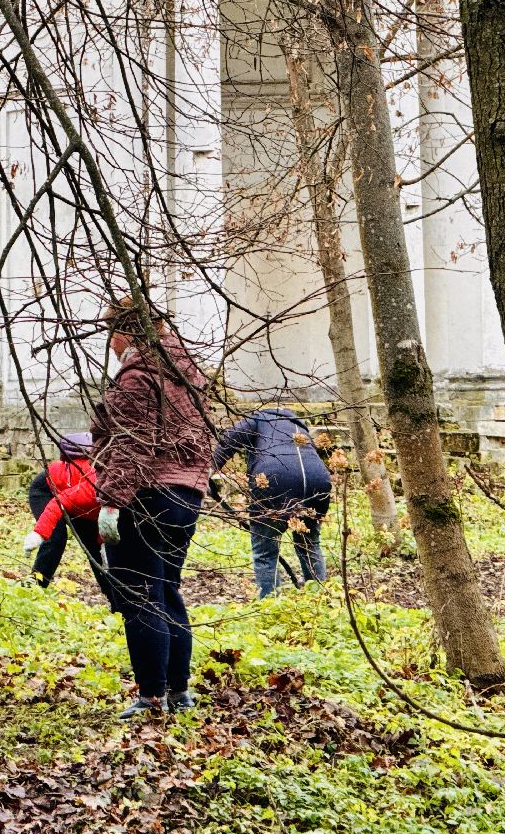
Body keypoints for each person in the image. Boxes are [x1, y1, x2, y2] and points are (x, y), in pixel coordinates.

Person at [92, 298, 213, 719]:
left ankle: (150, 696)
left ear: (126, 333)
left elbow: (129, 444)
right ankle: (179, 691)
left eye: (112, 335)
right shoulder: (189, 375)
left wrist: (110, 502)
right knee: (166, 589)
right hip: (186, 497)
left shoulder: (136, 379)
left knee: (140, 596)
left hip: (143, 498)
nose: (110, 345)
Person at [212, 408, 331, 598]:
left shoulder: (257, 419)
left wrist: (204, 474)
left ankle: (270, 605)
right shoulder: (299, 425)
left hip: (275, 479)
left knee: (265, 550)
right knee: (309, 543)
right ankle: (319, 599)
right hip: (318, 479)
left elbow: (228, 440)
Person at [21, 432, 120, 610]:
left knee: (97, 551)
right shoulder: (93, 488)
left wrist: (102, 542)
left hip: (81, 502)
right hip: (49, 492)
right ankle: (30, 592)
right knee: (55, 540)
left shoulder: (123, 492)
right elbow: (57, 503)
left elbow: (105, 529)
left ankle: (118, 606)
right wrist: (39, 534)